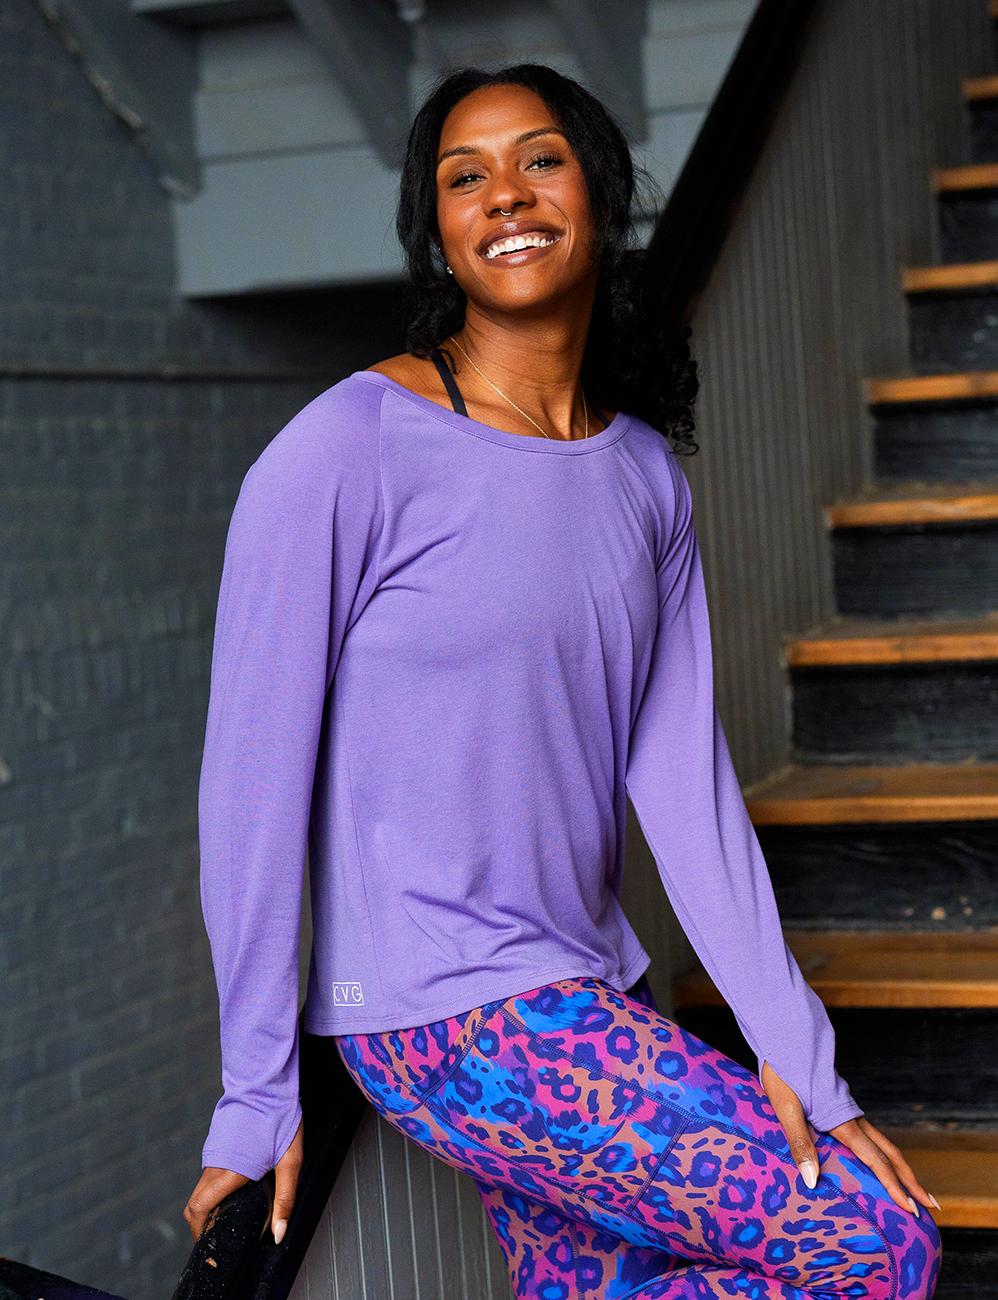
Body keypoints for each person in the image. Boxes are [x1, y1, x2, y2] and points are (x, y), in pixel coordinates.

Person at [184, 64, 942, 1300]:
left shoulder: (642, 476)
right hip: (441, 1017)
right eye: (463, 177)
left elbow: (683, 785)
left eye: (538, 159)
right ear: (438, 233)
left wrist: (796, 1047)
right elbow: (249, 784)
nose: (505, 195)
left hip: (585, 982)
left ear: (598, 189)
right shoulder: (346, 446)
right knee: (878, 1244)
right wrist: (255, 1088)